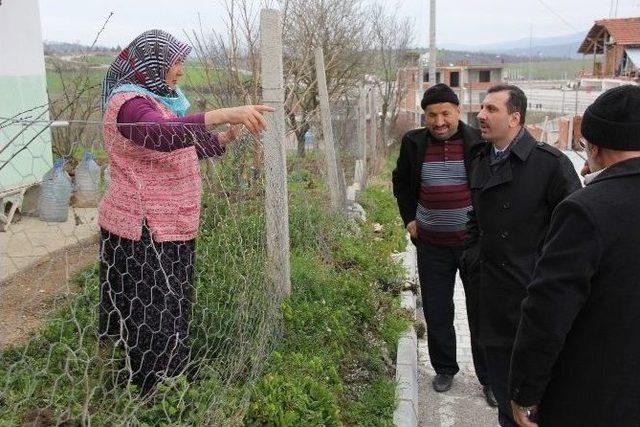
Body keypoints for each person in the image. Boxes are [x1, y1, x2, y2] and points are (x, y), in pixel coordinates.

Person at [98, 29, 273, 392]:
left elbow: (184, 141)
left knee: (173, 304)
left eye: (181, 63)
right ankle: (150, 389)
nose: (180, 70)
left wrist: (226, 136)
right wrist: (223, 113)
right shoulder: (129, 103)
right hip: (143, 227)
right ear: (152, 63)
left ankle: (172, 376)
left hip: (171, 224)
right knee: (151, 311)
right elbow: (161, 135)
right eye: (176, 62)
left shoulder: (161, 100)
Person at [508, 85, 640, 427]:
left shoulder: (586, 210)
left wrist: (525, 390)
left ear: (595, 147)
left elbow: (548, 310)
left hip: (595, 398)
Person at [465, 84, 580, 426]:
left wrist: (541, 275)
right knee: (505, 396)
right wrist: (471, 259)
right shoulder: (481, 158)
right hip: (490, 296)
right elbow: (475, 217)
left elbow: (575, 234)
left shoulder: (551, 165)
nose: (481, 116)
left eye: (491, 110)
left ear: (515, 117)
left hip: (534, 301)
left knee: (536, 402)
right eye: (482, 108)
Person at [392, 84, 496, 406]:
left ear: (457, 111)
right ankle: (445, 368)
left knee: (483, 312)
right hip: (431, 246)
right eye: (432, 115)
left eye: (445, 114)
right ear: (425, 117)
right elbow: (401, 183)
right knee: (438, 310)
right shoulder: (413, 143)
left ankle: (490, 380)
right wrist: (410, 220)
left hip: (473, 246)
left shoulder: (478, 141)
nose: (439, 121)